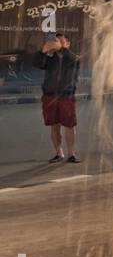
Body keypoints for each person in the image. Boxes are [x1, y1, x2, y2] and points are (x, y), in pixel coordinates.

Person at [33, 32, 80, 163]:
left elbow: (71, 58)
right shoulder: (49, 59)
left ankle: (72, 154)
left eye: (61, 41)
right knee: (54, 126)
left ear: (68, 44)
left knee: (70, 126)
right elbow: (36, 63)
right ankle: (59, 154)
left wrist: (60, 49)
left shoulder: (73, 58)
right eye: (55, 41)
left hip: (66, 96)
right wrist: (43, 51)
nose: (57, 43)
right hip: (49, 96)